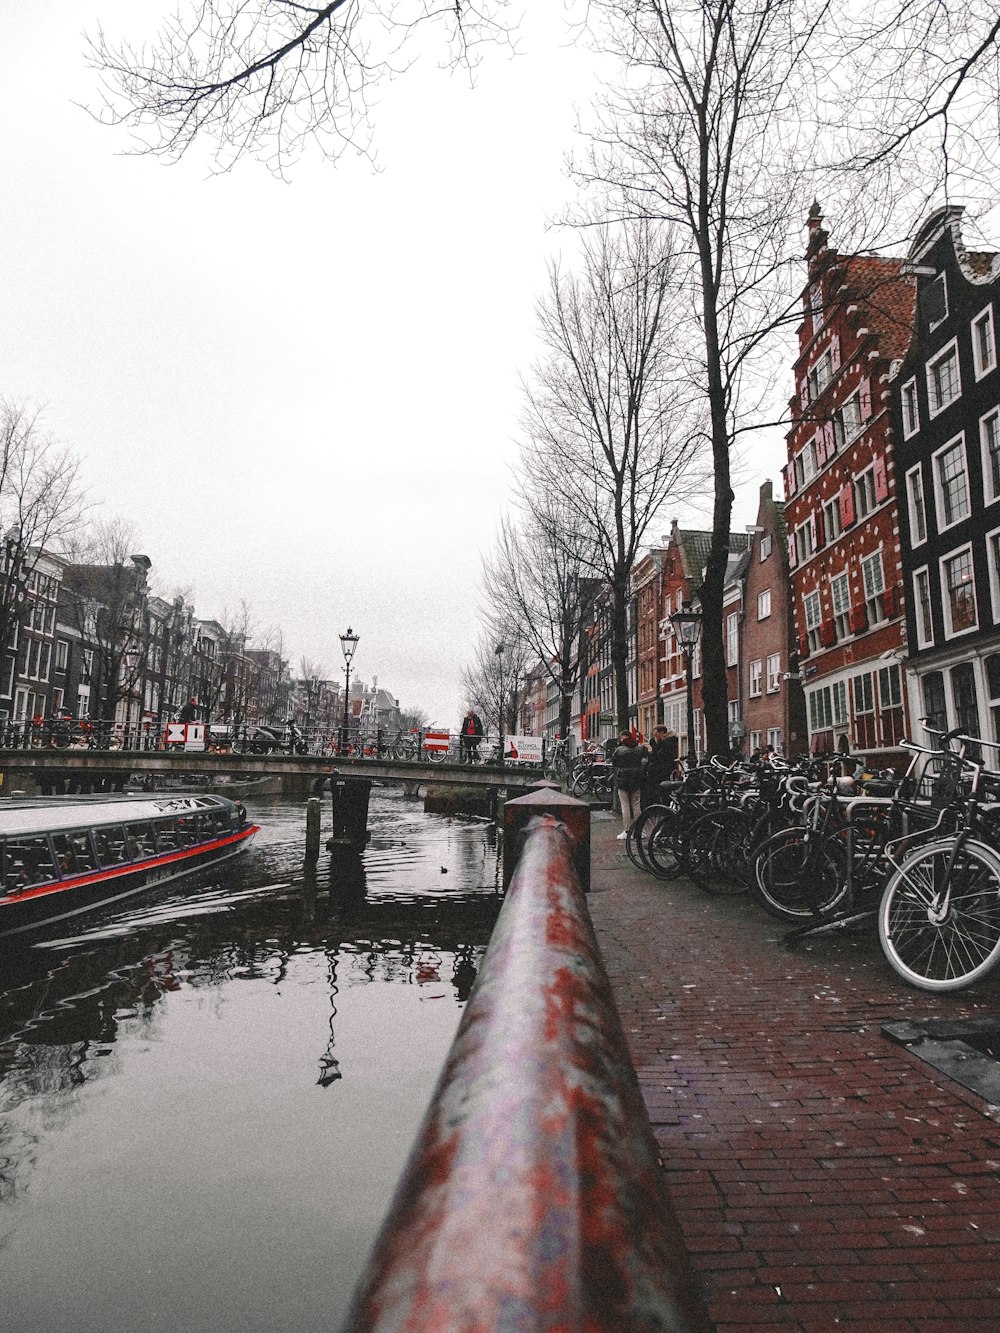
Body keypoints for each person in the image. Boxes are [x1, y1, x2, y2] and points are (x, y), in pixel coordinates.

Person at [611, 731, 647, 839]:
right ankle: (639, 830)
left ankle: (627, 831)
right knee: (636, 805)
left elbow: (614, 763)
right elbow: (645, 761)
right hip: (636, 778)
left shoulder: (619, 750)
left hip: (622, 779)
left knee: (625, 805)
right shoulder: (640, 749)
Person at [642, 724, 679, 807]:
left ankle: (664, 806)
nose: (655, 736)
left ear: (662, 733)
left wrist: (651, 751)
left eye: (656, 734)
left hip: (664, 770)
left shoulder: (669, 743)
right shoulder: (655, 742)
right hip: (656, 771)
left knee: (664, 790)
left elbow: (659, 756)